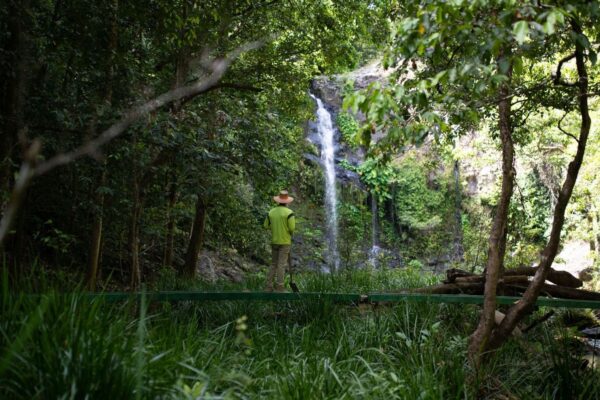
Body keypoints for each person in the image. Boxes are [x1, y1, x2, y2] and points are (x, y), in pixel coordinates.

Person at [263, 190, 295, 292]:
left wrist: (275, 228)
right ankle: (280, 287)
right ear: (287, 202)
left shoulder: (271, 212)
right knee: (281, 265)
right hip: (285, 242)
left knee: (274, 264)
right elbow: (292, 228)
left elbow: (265, 226)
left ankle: (268, 286)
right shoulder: (289, 213)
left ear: (278, 201)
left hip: (274, 241)